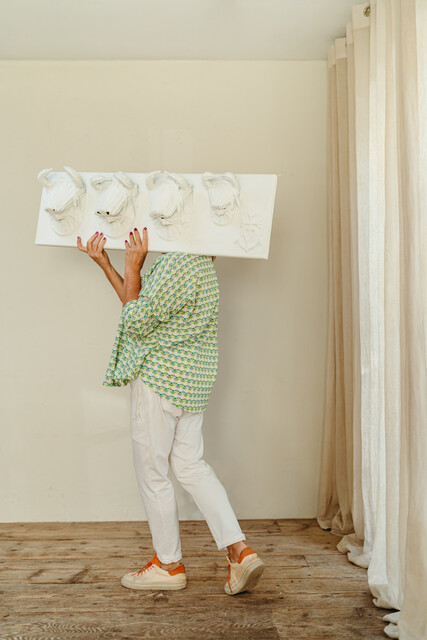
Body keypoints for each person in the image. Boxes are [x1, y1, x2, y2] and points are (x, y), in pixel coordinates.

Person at [77, 227, 265, 595]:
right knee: (191, 467)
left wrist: (133, 265)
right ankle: (240, 552)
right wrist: (106, 264)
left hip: (160, 382)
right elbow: (137, 305)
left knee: (153, 472)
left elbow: (134, 322)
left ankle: (168, 566)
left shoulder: (177, 264)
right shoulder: (201, 264)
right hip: (190, 385)